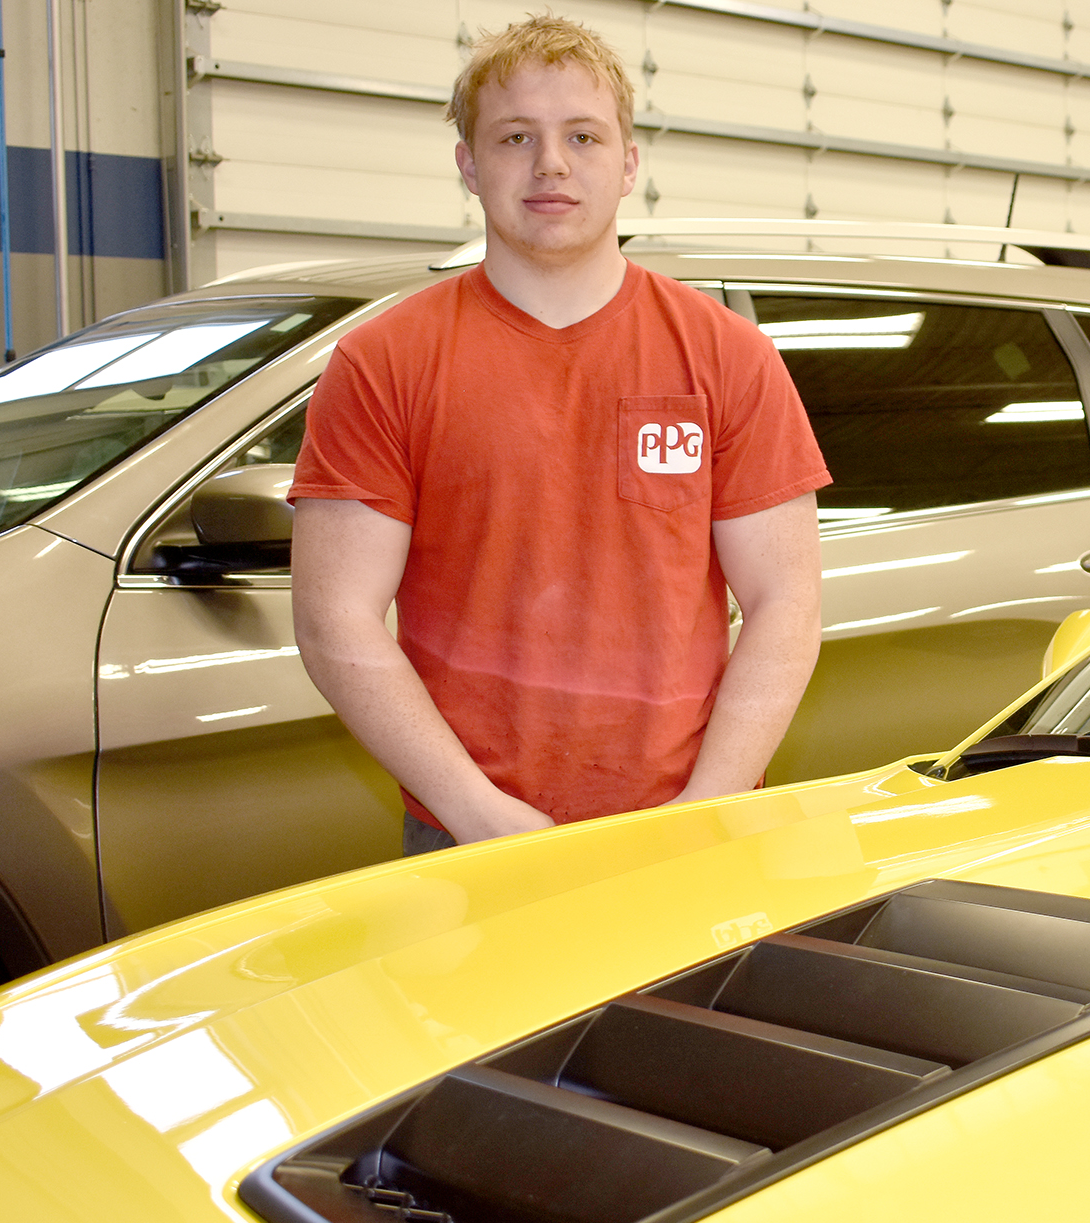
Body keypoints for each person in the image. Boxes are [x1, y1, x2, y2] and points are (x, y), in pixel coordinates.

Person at [289, 14, 828, 855]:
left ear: (629, 165)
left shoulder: (727, 356)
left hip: (695, 825)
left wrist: (706, 808)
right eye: (514, 137)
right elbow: (335, 620)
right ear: (468, 164)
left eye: (584, 135)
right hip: (469, 834)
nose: (551, 163)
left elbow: (784, 603)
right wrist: (473, 810)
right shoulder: (382, 364)